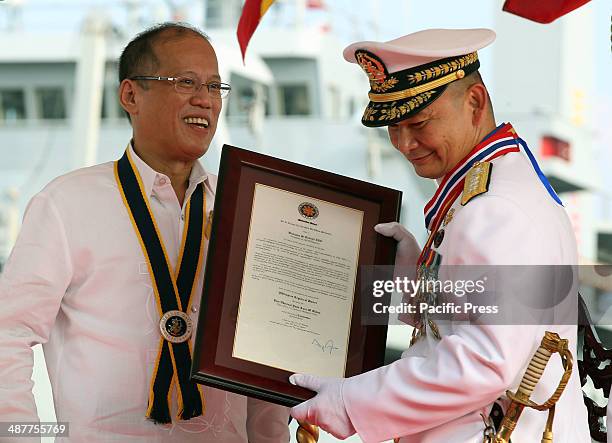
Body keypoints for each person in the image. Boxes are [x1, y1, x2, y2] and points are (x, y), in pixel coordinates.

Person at [289, 28, 591, 442]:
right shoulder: (489, 187)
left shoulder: (495, 207)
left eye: (418, 122)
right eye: (392, 128)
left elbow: (486, 360)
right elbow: (468, 320)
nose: (404, 143)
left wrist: (350, 402)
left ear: (474, 102)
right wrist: (416, 278)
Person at [0, 22, 289, 442]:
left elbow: (260, 353)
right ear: (131, 95)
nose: (204, 100)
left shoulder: (244, 209)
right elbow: (9, 332)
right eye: (185, 82)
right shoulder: (65, 204)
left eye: (214, 86)